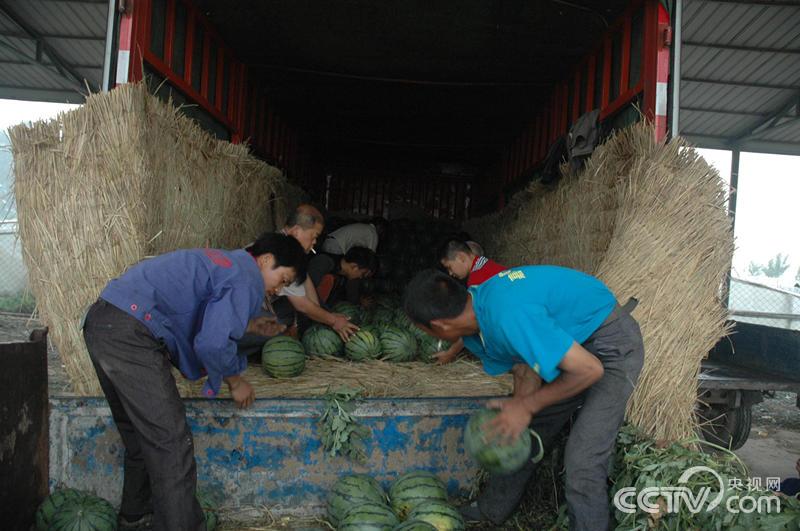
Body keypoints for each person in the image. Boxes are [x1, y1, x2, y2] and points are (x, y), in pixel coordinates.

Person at [82, 233, 307, 530]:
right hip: (131, 332)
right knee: (172, 443)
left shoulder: (225, 263)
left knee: (139, 434)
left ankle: (136, 516)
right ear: (265, 260)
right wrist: (235, 380)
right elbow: (212, 344)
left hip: (103, 322)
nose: (277, 289)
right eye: (282, 279)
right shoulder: (245, 276)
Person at [402, 267, 644, 530]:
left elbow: (590, 369)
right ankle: (491, 510)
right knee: (523, 432)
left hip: (609, 347)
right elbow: (524, 368)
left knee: (582, 459)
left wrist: (527, 405)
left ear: (438, 325)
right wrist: (519, 414)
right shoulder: (479, 321)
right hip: (572, 350)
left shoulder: (508, 314)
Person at [433, 238, 507, 364]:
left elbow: (473, 323)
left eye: (449, 267)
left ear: (461, 257)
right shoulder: (485, 265)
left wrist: (450, 353)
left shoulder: (477, 279)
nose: (450, 273)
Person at [307, 246, 378, 306]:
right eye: (362, 274)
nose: (360, 277)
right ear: (354, 267)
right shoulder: (323, 262)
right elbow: (306, 294)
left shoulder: (344, 276)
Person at [319, 217, 387, 255]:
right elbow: (371, 255)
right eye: (383, 229)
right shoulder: (373, 232)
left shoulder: (364, 227)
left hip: (328, 242)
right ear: (379, 226)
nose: (382, 232)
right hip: (336, 246)